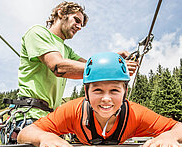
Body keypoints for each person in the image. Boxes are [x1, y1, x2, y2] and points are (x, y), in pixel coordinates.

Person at [17, 52, 182, 147]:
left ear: (125, 92)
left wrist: (170, 136)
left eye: (115, 90)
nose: (106, 99)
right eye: (97, 90)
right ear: (86, 92)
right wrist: (45, 136)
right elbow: (24, 134)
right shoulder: (73, 110)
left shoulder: (135, 113)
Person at [11, 1, 137, 129]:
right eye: (76, 20)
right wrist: (113, 67)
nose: (79, 27)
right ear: (61, 13)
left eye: (81, 24)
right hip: (30, 116)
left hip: (50, 119)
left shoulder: (67, 51)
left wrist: (114, 59)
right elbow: (58, 66)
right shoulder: (38, 33)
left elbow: (91, 67)